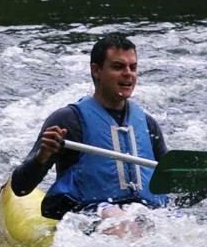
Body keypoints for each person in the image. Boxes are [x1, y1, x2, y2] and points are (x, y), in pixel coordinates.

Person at [9, 32, 169, 218]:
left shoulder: (147, 124)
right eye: (118, 67)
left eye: (133, 67)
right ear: (96, 71)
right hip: (88, 214)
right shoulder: (68, 121)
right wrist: (41, 157)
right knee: (116, 217)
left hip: (144, 213)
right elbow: (20, 188)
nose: (128, 74)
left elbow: (175, 196)